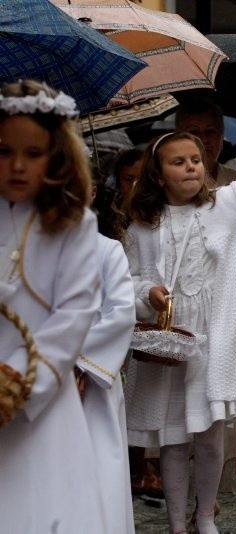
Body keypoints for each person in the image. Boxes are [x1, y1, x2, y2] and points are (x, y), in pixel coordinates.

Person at [123, 97, 236, 534]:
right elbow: (125, 279)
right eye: (178, 162)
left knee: (209, 434)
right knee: (171, 437)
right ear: (158, 173)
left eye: (196, 160)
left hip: (213, 337)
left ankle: (204, 513)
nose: (191, 167)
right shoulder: (142, 224)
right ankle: (175, 521)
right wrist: (146, 294)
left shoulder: (231, 205)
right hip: (165, 338)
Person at [0, 79, 106, 532]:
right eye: (4, 151)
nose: (18, 166)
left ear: (56, 156)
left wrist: (17, 382)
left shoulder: (72, 224)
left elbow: (75, 313)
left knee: (43, 508)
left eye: (33, 153)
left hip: (38, 397)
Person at [78, 181, 137, 533]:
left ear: (91, 192)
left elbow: (120, 313)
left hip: (91, 381)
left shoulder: (107, 250)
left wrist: (80, 364)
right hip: (36, 375)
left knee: (97, 468)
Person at [174, 97, 236, 187]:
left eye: (210, 131)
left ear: (221, 137)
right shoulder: (168, 185)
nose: (204, 140)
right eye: (194, 132)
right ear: (178, 138)